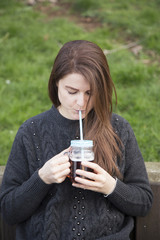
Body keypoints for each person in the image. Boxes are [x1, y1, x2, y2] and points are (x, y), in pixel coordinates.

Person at [0, 40, 153, 240]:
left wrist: (110, 187)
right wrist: (42, 178)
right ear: (56, 83)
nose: (81, 102)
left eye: (90, 92)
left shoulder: (118, 129)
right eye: (72, 91)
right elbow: (9, 211)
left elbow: (143, 202)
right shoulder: (32, 132)